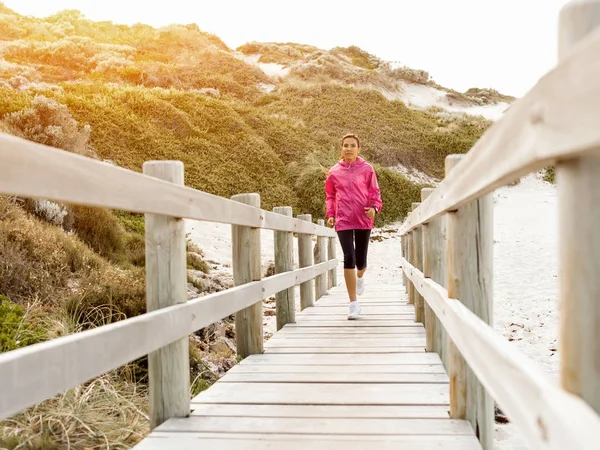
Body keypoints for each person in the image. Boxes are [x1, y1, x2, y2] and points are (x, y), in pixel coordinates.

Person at [325, 133, 382, 320]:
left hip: (364, 218)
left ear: (359, 149)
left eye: (352, 145)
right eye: (345, 145)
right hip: (343, 220)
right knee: (348, 257)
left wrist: (374, 207)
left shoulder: (367, 169)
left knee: (361, 261)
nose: (348, 148)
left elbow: (374, 192)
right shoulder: (334, 172)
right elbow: (330, 196)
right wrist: (331, 214)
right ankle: (353, 304)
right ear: (341, 148)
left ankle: (359, 277)